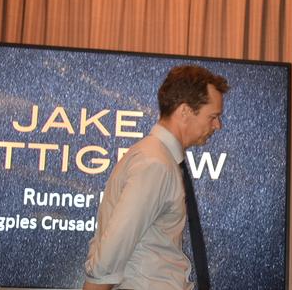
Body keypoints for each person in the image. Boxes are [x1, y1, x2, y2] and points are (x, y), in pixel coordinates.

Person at [83, 65, 229, 290]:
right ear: (184, 112)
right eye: (213, 116)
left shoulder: (158, 158)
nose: (217, 126)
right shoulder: (155, 164)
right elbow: (114, 247)